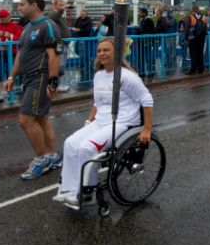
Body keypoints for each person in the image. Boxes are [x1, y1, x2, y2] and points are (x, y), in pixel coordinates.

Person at [52, 37, 153, 209]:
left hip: (122, 122)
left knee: (86, 148)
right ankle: (68, 190)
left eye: (106, 50)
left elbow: (147, 100)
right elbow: (97, 103)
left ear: (117, 53)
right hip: (101, 121)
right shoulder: (99, 75)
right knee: (69, 143)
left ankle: (86, 193)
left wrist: (147, 130)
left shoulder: (127, 77)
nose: (101, 54)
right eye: (99, 51)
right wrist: (88, 121)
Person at [3, 0, 64, 179]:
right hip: (29, 78)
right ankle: (53, 156)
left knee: (26, 120)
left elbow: (54, 56)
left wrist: (53, 82)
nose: (19, 7)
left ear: (34, 6)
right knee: (41, 118)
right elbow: (21, 55)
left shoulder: (48, 26)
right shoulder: (28, 27)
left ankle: (41, 160)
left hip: (41, 78)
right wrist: (12, 77)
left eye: (22, 4)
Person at [0, 9, 23, 103]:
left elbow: (21, 38)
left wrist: (10, 36)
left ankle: (9, 94)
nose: (3, 20)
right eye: (1, 18)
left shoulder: (15, 26)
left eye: (4, 18)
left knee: (10, 73)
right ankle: (0, 95)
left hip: (11, 53)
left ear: (9, 17)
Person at [185, 6, 208, 75]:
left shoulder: (190, 16)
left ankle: (193, 70)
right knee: (200, 53)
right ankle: (200, 69)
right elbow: (206, 26)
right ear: (198, 10)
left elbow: (187, 27)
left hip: (193, 37)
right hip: (202, 37)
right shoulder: (203, 16)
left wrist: (186, 38)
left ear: (193, 10)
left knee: (193, 54)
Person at [137, 8, 157, 81]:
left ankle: (150, 72)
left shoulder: (149, 21)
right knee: (141, 58)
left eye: (140, 12)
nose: (139, 14)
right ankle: (142, 72)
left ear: (145, 13)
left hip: (147, 42)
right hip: (141, 42)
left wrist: (151, 42)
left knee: (148, 58)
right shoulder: (141, 21)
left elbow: (152, 31)